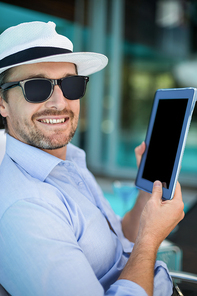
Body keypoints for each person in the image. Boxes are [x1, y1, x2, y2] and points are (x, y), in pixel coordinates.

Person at [0, 21, 184, 296]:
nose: (60, 102)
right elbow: (137, 246)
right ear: (2, 103)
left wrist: (148, 195)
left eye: (71, 85)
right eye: (37, 87)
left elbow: (116, 243)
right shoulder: (24, 208)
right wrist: (149, 239)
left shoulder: (69, 162)